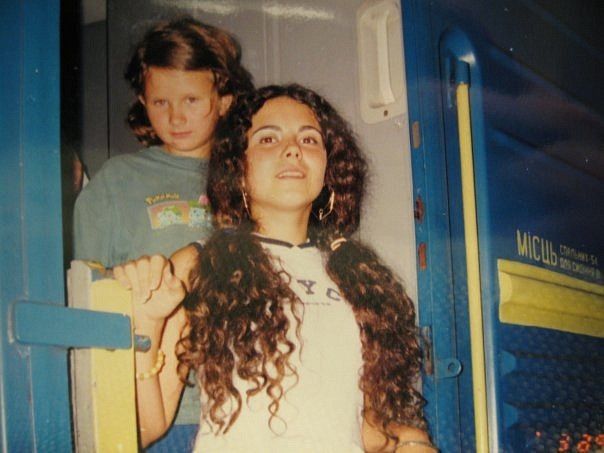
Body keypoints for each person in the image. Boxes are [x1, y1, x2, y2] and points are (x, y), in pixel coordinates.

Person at [115, 84, 436, 452]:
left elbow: (365, 425)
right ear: (238, 167)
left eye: (309, 140)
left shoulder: (359, 274)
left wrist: (411, 439)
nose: (293, 149)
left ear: (328, 166)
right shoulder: (198, 265)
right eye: (268, 139)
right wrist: (147, 323)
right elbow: (142, 429)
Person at [73, 16, 253, 268]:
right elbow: (87, 281)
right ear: (144, 102)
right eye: (160, 102)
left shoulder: (250, 177)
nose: (176, 118)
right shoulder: (115, 180)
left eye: (191, 100)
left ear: (224, 101)